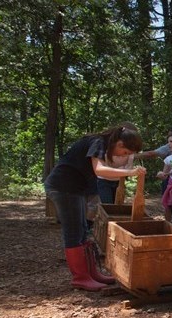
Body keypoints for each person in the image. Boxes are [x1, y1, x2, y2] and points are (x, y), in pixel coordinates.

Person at [44, 122, 147, 291]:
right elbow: (100, 170)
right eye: (125, 152)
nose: (123, 156)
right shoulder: (98, 142)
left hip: (76, 188)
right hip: (64, 187)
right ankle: (80, 277)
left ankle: (92, 273)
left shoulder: (103, 144)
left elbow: (105, 172)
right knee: (74, 231)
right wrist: (131, 172)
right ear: (120, 144)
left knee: (83, 229)